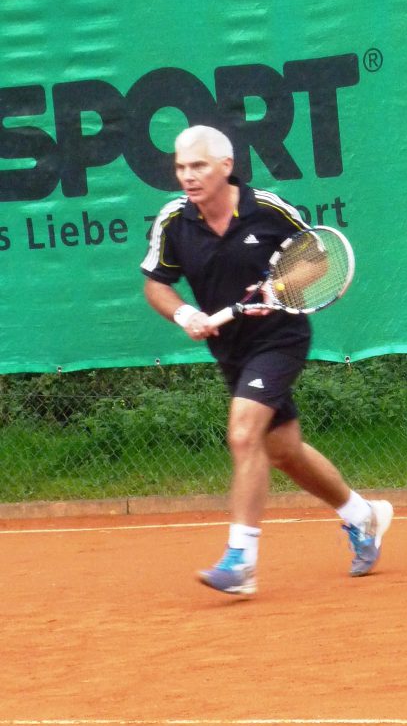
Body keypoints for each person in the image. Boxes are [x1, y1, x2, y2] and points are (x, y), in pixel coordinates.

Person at [140, 125, 393, 596]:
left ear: (226, 166)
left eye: (198, 166)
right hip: (230, 348)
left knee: (243, 433)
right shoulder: (173, 221)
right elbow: (156, 283)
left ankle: (241, 560)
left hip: (279, 338)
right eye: (181, 167)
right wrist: (185, 314)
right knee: (282, 450)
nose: (188, 176)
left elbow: (319, 258)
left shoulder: (267, 209)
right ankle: (364, 517)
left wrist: (277, 288)